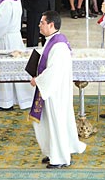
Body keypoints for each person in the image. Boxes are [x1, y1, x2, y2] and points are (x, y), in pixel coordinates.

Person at [29, 10, 86, 168]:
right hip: (51, 90)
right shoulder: (52, 39)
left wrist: (38, 80)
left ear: (51, 24)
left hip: (55, 92)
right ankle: (52, 153)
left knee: (57, 123)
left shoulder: (59, 45)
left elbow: (54, 71)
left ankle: (60, 158)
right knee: (48, 123)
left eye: (42, 22)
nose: (39, 25)